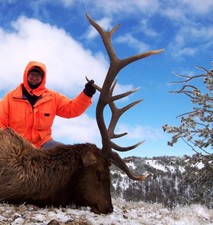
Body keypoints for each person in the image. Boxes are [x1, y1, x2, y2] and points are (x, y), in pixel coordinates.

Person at [0, 61, 96, 149]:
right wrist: (7, 142)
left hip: (43, 143)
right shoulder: (10, 97)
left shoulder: (53, 97)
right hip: (17, 145)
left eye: (38, 75)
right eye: (32, 74)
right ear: (26, 75)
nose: (34, 78)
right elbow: (1, 122)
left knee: (67, 156)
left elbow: (71, 109)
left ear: (43, 78)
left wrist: (86, 94)